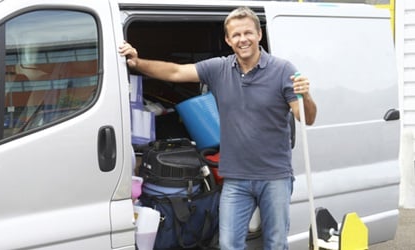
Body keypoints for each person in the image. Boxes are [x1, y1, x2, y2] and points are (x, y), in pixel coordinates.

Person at [119, 6, 317, 250]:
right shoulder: (219, 68)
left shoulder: (282, 70)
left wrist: (306, 96)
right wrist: (137, 62)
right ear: (228, 39)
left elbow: (306, 118)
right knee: (228, 244)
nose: (242, 39)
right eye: (236, 35)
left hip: (274, 176)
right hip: (235, 177)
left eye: (247, 33)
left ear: (259, 35)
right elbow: (175, 71)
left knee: (275, 244)